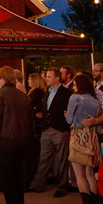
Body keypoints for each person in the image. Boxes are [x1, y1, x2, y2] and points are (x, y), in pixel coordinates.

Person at [0, 66, 35, 204]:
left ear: (2, 79)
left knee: (9, 183)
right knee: (18, 181)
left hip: (6, 143)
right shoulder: (23, 96)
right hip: (23, 142)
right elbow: (31, 122)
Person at [28, 68, 71, 196]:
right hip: (46, 129)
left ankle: (62, 187)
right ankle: (37, 184)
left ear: (57, 78)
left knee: (61, 159)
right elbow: (46, 108)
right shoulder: (47, 92)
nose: (46, 79)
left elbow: (68, 111)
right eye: (46, 76)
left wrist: (65, 129)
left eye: (49, 77)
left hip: (60, 130)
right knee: (44, 158)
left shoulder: (66, 93)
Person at [66, 74, 102, 204]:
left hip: (78, 136)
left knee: (79, 174)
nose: (73, 87)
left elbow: (69, 119)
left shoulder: (75, 98)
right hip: (92, 136)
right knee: (90, 173)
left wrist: (68, 116)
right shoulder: (95, 100)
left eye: (74, 84)